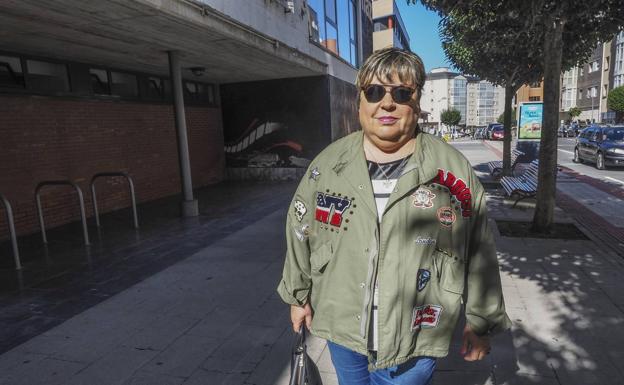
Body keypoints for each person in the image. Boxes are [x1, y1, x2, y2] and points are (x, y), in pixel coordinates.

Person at [277, 47, 511, 385]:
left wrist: (481, 320)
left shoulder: (452, 172)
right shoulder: (327, 166)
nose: (387, 103)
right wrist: (298, 297)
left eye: (401, 93)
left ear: (416, 103)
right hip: (344, 329)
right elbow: (300, 231)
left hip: (415, 337)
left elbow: (478, 250)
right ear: (360, 100)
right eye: (374, 92)